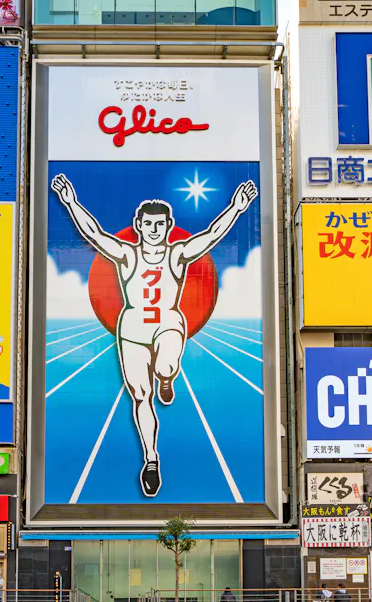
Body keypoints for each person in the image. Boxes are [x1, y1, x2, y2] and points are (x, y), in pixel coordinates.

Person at [51, 174, 257, 497]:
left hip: (168, 322)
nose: (154, 229)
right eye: (148, 224)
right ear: (139, 225)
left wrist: (236, 207)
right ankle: (150, 459)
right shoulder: (127, 255)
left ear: (168, 226)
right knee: (141, 396)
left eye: (160, 224)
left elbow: (211, 235)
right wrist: (70, 202)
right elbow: (94, 233)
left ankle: (166, 377)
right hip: (132, 328)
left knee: (165, 365)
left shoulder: (177, 254)